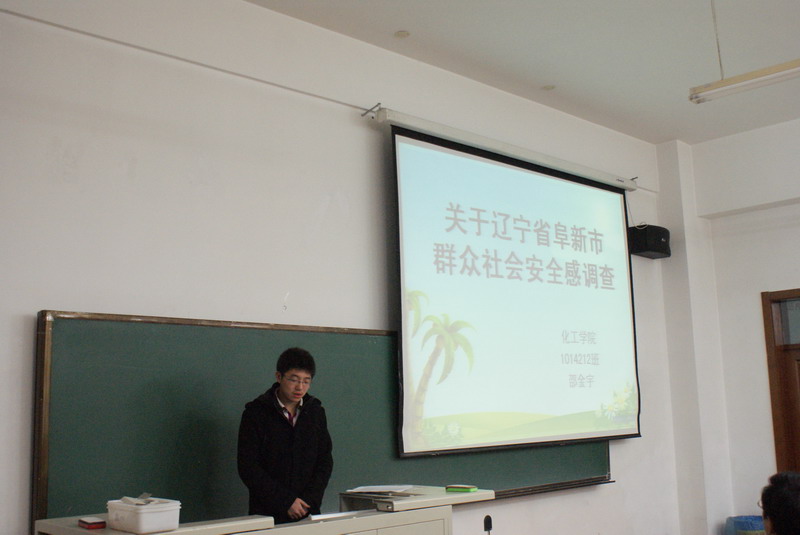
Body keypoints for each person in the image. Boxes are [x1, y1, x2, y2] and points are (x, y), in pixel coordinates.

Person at [237, 347, 333, 523]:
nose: (300, 387)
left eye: (306, 381)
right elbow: (248, 466)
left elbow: (324, 462)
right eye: (294, 380)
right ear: (279, 377)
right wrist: (286, 502)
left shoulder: (315, 412)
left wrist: (308, 502)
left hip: (308, 512)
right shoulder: (256, 413)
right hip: (267, 513)